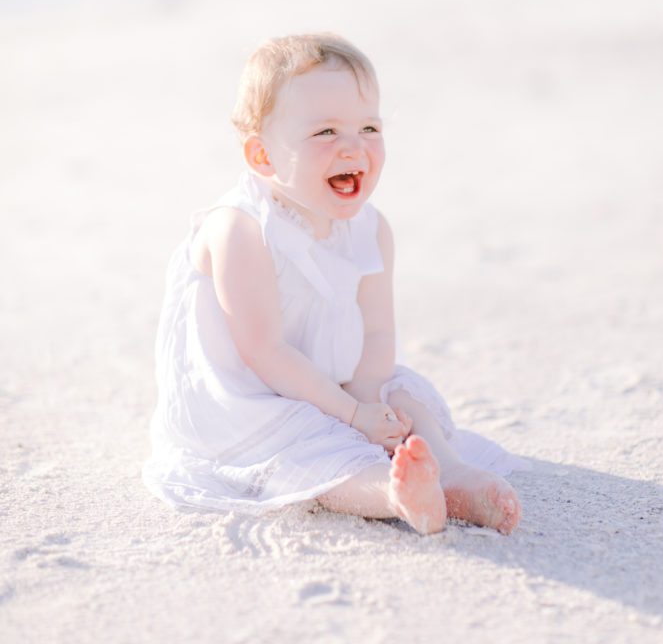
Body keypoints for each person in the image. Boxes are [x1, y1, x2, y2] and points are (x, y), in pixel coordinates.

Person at [143, 33, 528, 535]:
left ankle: (449, 473)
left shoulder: (371, 229)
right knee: (304, 448)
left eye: (369, 127)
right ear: (263, 158)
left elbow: (376, 336)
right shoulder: (241, 229)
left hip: (339, 378)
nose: (354, 146)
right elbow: (264, 350)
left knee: (403, 398)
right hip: (253, 397)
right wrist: (349, 413)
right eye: (325, 132)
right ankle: (391, 492)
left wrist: (370, 400)